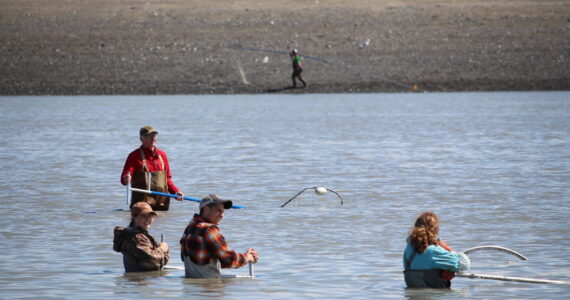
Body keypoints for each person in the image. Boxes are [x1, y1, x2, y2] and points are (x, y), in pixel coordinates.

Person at [180, 194, 259, 278]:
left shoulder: (189, 228)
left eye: (223, 212)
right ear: (206, 210)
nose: (222, 215)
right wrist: (247, 257)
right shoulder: (210, 229)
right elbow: (228, 259)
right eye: (218, 211)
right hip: (210, 287)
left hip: (190, 288)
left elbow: (192, 259)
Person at [121, 125, 183, 211]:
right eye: (149, 136)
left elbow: (167, 180)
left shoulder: (163, 155)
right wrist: (126, 178)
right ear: (141, 139)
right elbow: (124, 178)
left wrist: (176, 192)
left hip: (161, 204)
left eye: (154, 136)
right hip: (142, 208)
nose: (153, 138)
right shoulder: (134, 156)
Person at [403, 212, 470, 288]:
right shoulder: (433, 251)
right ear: (435, 230)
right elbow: (465, 264)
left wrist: (447, 269)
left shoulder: (408, 249)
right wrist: (446, 248)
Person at [113, 202, 170, 272]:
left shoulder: (135, 233)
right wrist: (162, 248)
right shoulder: (136, 237)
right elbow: (152, 258)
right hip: (140, 279)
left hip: (138, 278)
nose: (148, 219)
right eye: (144, 216)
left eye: (150, 216)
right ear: (134, 216)